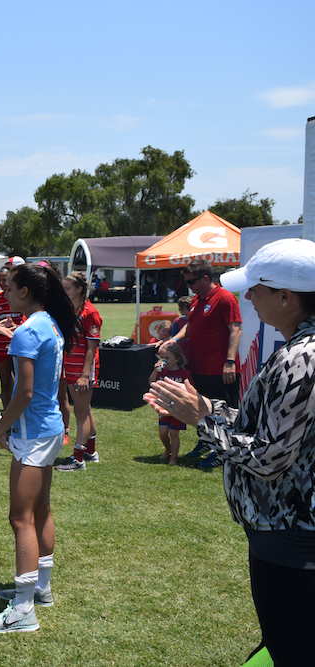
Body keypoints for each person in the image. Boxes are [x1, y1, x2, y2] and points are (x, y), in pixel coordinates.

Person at [144, 238, 315, 666]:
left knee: (291, 649)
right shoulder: (299, 349)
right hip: (287, 536)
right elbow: (266, 425)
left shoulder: (302, 356)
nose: (249, 297)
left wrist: (201, 421)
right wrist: (208, 408)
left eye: (255, 288)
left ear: (286, 296)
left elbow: (270, 458)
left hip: (289, 537)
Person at [0, 263, 77, 634]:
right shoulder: (50, 323)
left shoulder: (26, 331)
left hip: (34, 434)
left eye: (8, 288)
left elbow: (25, 391)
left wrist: (1, 426)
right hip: (48, 430)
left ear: (24, 292)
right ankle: (40, 589)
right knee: (40, 510)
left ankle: (23, 610)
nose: (4, 293)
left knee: (20, 518)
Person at [168, 259, 242, 468]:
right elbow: (189, 328)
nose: (188, 286)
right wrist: (174, 339)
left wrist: (230, 361)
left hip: (219, 369)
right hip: (198, 367)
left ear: (206, 278)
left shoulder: (225, 298)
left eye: (191, 282)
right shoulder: (196, 300)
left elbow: (235, 330)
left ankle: (222, 452)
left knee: (223, 412)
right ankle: (206, 441)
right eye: (186, 282)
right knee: (203, 408)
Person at [55, 272, 103, 472]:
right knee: (85, 410)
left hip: (83, 371)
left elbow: (92, 348)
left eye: (68, 288)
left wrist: (85, 375)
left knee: (80, 413)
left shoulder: (89, 312)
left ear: (79, 289)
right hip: (70, 367)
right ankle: (90, 452)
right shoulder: (71, 310)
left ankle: (78, 459)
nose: (65, 292)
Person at [0, 266, 26, 410]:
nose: (2, 282)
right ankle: (8, 413)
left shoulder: (19, 298)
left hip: (20, 346)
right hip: (1, 348)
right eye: (0, 280)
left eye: (5, 279)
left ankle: (20, 413)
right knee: (5, 383)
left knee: (21, 383)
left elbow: (25, 323)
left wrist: (13, 325)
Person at [147, 341, 191, 465]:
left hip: (177, 408)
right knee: (162, 432)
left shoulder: (184, 374)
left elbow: (189, 389)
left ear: (176, 359)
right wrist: (155, 370)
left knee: (174, 433)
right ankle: (168, 449)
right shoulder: (162, 371)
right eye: (162, 358)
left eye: (167, 358)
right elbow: (151, 383)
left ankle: (174, 458)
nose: (164, 360)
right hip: (164, 406)